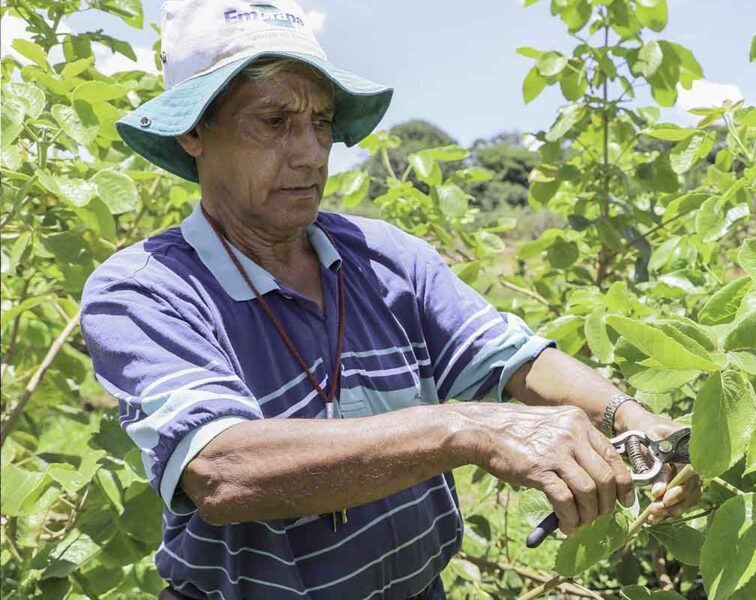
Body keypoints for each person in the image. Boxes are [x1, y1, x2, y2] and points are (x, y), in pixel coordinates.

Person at [79, 1, 701, 598]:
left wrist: (634, 420)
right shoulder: (144, 289)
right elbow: (223, 468)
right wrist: (468, 428)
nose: (309, 152)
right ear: (194, 133)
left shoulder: (383, 257)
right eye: (273, 122)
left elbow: (514, 359)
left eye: (320, 122)